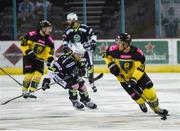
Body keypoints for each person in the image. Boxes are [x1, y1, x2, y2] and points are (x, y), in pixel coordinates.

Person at [103, 33, 168, 116]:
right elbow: (105, 56)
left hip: (139, 76)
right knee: (137, 97)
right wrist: (111, 65)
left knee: (151, 94)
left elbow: (140, 68)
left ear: (126, 44)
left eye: (120, 42)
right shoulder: (113, 50)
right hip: (124, 79)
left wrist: (134, 79)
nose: (117, 44)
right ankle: (141, 103)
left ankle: (156, 108)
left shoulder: (137, 53)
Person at [42, 42, 97, 110]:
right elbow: (52, 70)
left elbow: (82, 70)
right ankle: (75, 101)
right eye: (79, 54)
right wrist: (46, 81)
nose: (81, 56)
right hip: (59, 75)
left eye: (82, 54)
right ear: (74, 53)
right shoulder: (64, 60)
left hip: (69, 74)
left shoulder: (81, 58)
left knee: (82, 85)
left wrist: (81, 72)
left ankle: (86, 100)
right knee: (74, 85)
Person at [62, 12, 97, 92]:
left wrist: (93, 42)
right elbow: (65, 40)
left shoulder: (84, 27)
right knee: (75, 67)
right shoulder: (68, 30)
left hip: (85, 51)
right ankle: (77, 81)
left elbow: (93, 34)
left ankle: (92, 83)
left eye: (69, 20)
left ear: (74, 19)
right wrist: (65, 46)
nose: (68, 22)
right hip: (75, 53)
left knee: (90, 66)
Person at [20, 20, 54, 99]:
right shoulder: (31, 35)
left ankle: (32, 91)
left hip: (39, 60)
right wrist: (28, 51)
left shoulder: (49, 41)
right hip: (29, 58)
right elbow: (23, 43)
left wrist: (49, 57)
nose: (50, 30)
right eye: (48, 28)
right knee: (29, 75)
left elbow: (48, 53)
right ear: (43, 28)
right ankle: (24, 91)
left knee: (38, 75)